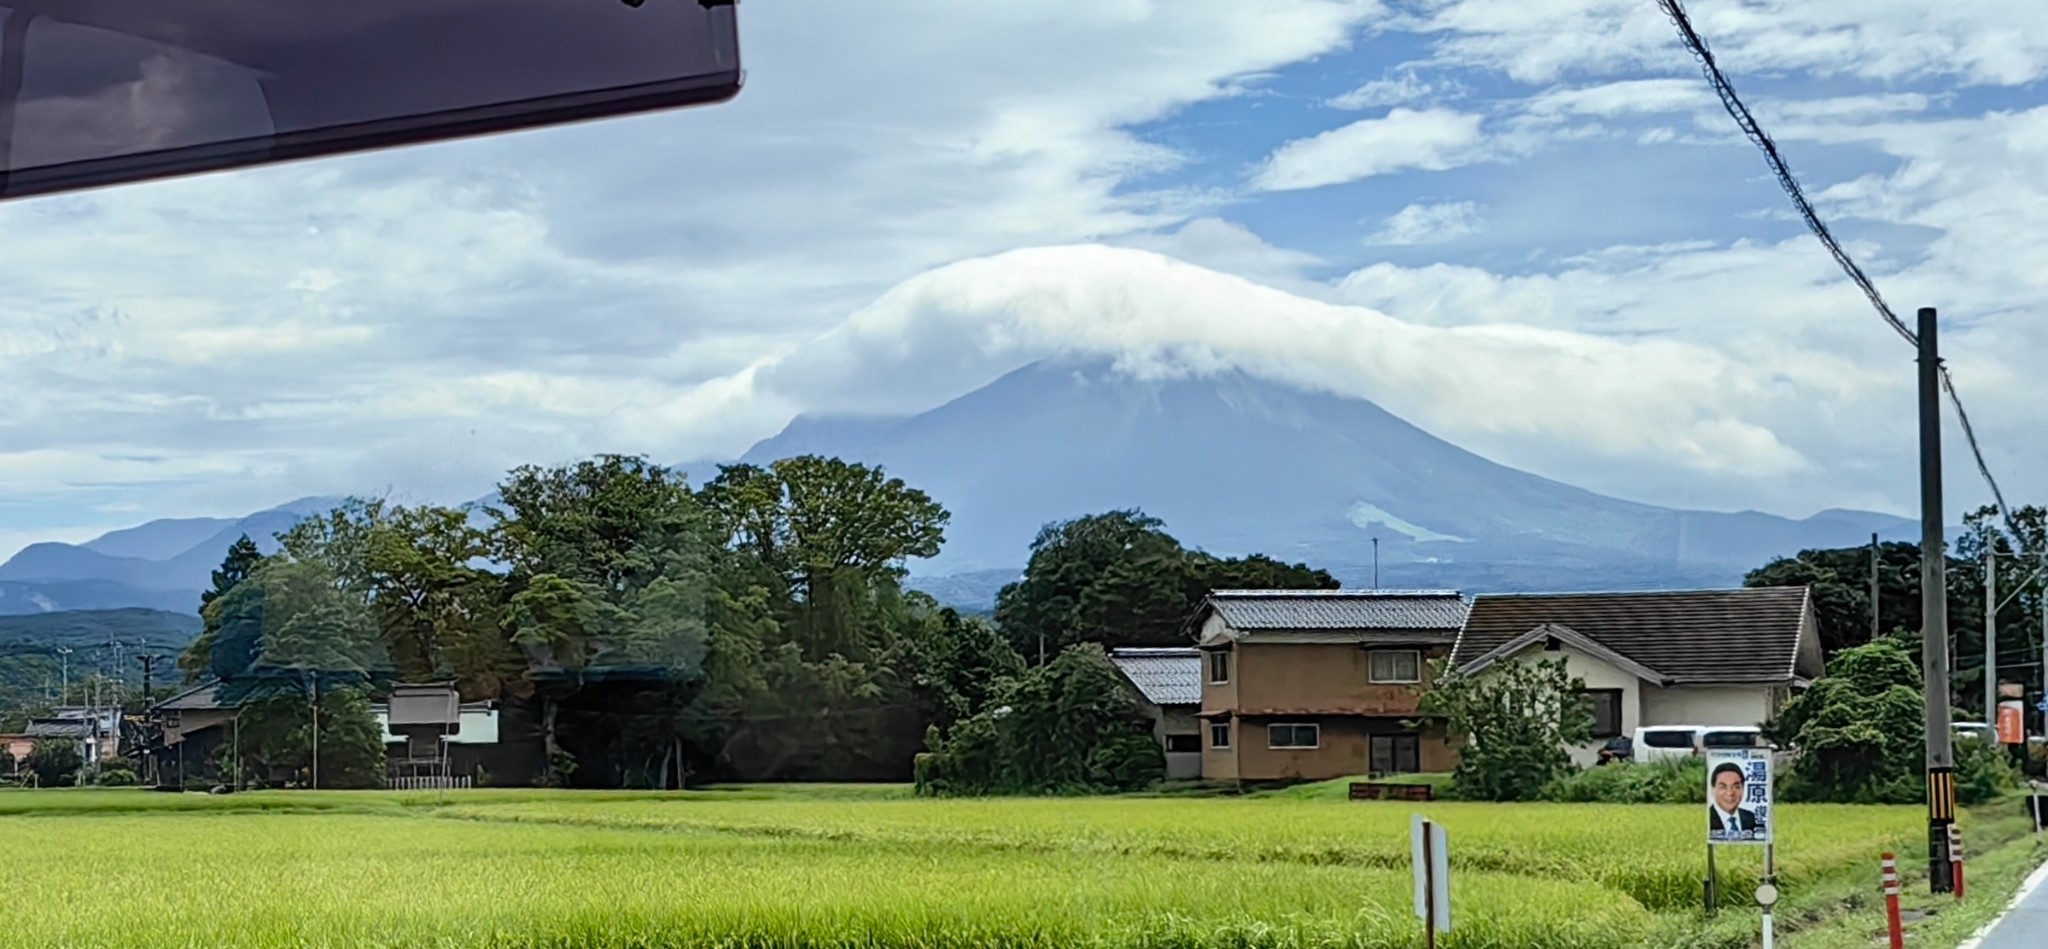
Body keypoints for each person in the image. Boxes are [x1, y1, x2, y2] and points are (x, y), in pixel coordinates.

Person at [1709, 762, 1759, 835]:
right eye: (1723, 787)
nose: (1730, 793)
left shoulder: (1753, 819)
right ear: (1713, 790)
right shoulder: (1706, 819)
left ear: (1743, 789)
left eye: (1736, 787)